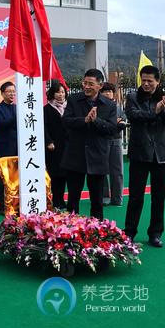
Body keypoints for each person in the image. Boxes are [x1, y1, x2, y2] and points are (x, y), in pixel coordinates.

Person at [124, 65, 165, 248]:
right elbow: (133, 116)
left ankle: (155, 233)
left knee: (159, 196)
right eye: (143, 80)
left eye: (150, 81)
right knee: (135, 196)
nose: (146, 84)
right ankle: (129, 232)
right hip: (139, 153)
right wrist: (154, 112)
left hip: (161, 154)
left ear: (158, 81)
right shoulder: (132, 97)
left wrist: (163, 110)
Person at [61, 69, 117, 220]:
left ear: (100, 85)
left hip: (98, 156)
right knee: (73, 199)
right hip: (75, 155)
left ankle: (97, 228)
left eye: (91, 84)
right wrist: (84, 120)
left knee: (97, 200)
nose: (86, 86)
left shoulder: (109, 105)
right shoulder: (74, 100)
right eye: (84, 83)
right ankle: (71, 228)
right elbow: (65, 121)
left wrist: (96, 121)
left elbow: (112, 129)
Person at [0, 81, 17, 214]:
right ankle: (2, 205)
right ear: (2, 93)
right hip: (3, 149)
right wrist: (16, 117)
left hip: (17, 148)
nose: (12, 94)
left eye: (13, 91)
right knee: (3, 178)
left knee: (16, 178)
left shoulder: (17, 107)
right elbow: (0, 125)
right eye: (9, 91)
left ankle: (15, 204)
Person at [100, 82, 127, 206]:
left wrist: (118, 123)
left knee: (117, 170)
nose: (107, 93)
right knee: (102, 170)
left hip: (116, 140)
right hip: (102, 140)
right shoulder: (97, 106)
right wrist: (112, 123)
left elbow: (122, 121)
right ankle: (104, 197)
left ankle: (117, 198)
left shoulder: (118, 107)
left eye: (110, 91)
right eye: (105, 91)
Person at [43, 81, 68, 209]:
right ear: (52, 94)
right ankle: (56, 199)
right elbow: (44, 127)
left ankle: (61, 199)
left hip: (67, 146)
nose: (61, 94)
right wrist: (48, 141)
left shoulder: (68, 107)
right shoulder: (46, 109)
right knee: (55, 174)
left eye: (62, 92)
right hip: (53, 146)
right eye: (58, 92)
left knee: (65, 174)